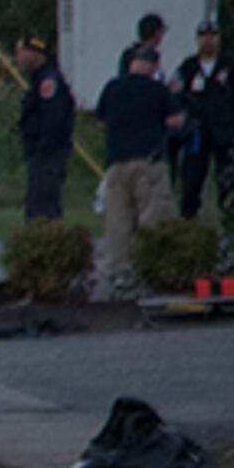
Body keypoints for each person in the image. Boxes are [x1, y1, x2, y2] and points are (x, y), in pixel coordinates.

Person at [91, 44, 182, 294]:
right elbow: (175, 120)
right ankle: (151, 273)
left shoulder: (113, 88)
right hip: (149, 163)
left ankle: (115, 275)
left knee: (117, 222)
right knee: (153, 218)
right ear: (153, 66)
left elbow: (100, 120)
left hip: (116, 163)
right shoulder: (157, 90)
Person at [170, 23, 234, 218]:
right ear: (198, 39)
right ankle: (189, 223)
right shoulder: (189, 66)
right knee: (191, 181)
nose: (208, 40)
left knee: (228, 181)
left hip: (225, 130)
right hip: (197, 133)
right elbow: (175, 94)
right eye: (204, 36)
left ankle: (230, 224)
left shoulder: (229, 66)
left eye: (212, 35)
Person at [16, 39, 77, 224]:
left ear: (35, 53)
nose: (18, 58)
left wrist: (43, 148)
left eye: (21, 52)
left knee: (43, 205)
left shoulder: (47, 81)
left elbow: (53, 118)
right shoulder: (38, 79)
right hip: (41, 153)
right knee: (38, 202)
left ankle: (45, 243)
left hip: (47, 154)